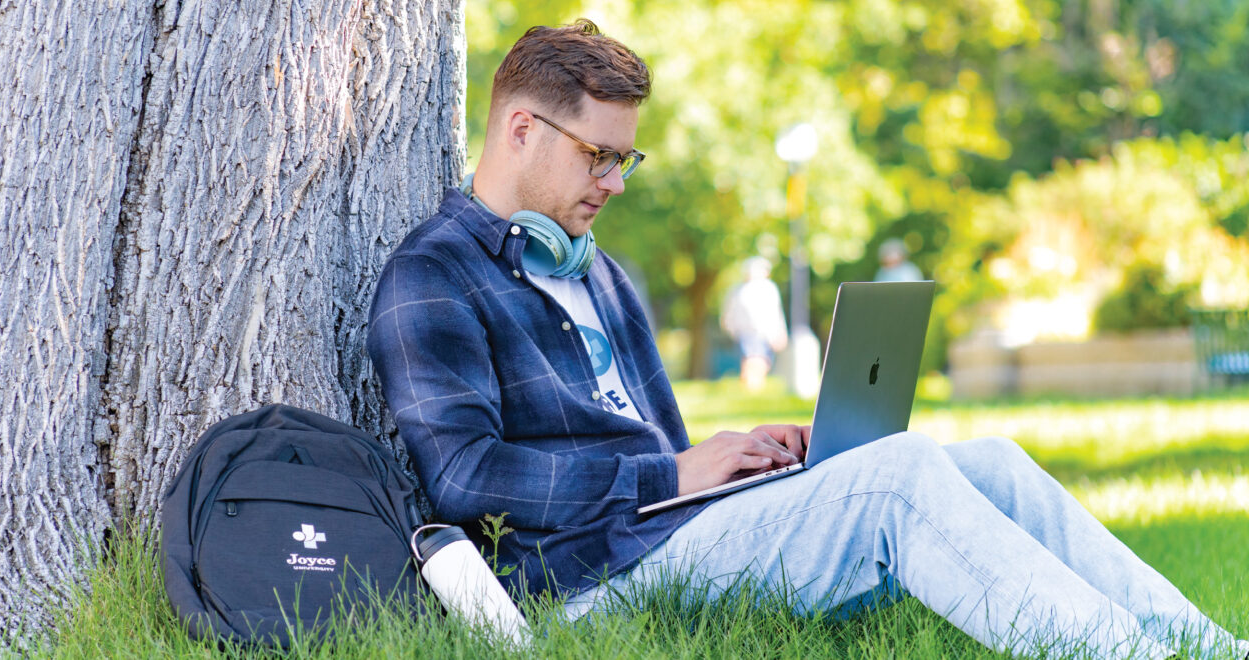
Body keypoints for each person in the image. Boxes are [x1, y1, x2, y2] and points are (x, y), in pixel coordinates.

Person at [366, 20, 1246, 659]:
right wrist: (672, 475)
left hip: (671, 532)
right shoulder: (434, 277)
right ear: (522, 129)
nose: (614, 182)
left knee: (997, 463)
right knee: (896, 482)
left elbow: (668, 460)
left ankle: (1204, 646)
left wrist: (752, 462)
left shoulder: (596, 270)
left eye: (624, 161)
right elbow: (467, 477)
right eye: (600, 155)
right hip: (582, 581)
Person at [720, 256, 788, 390]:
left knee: (759, 361)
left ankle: (753, 388)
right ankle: (753, 388)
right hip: (750, 333)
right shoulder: (741, 290)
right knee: (754, 361)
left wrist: (779, 332)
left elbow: (776, 314)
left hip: (761, 333)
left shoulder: (768, 288)